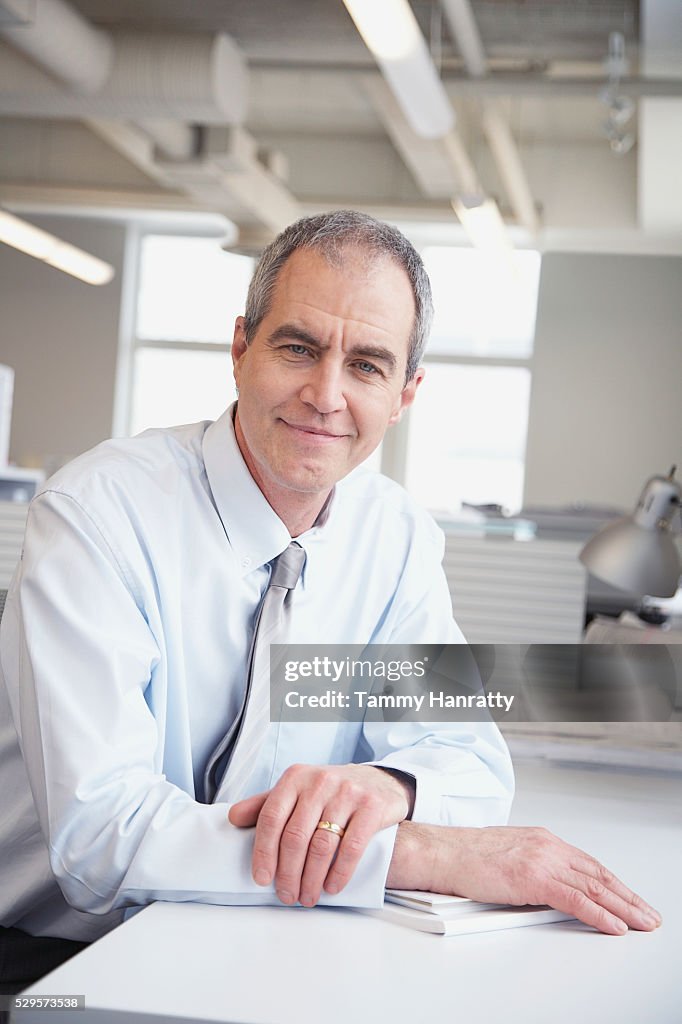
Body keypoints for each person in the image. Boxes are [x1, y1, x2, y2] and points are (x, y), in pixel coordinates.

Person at [0, 212, 660, 993]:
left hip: (261, 936)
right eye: (298, 348)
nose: (325, 395)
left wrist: (391, 789)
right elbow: (101, 842)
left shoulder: (396, 537)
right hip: (56, 953)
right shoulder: (98, 515)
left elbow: (470, 760)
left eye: (369, 366)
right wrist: (419, 851)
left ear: (406, 393)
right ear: (240, 347)